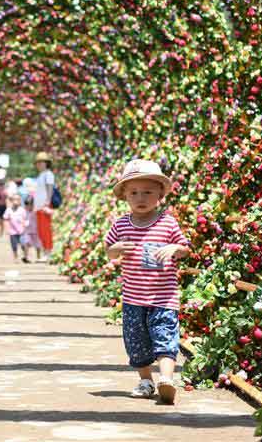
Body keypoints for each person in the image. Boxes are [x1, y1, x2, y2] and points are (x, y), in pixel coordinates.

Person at [104, 159, 190, 405]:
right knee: (137, 343)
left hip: (164, 297)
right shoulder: (121, 224)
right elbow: (108, 249)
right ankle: (145, 380)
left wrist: (174, 248)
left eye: (148, 192)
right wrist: (116, 249)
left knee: (165, 336)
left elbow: (185, 249)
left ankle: (166, 379)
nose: (140, 197)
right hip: (133, 298)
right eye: (134, 193)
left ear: (160, 194)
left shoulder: (167, 222)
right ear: (124, 196)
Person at [32, 152, 56, 260]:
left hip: (45, 206)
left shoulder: (48, 174)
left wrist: (47, 202)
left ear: (46, 163)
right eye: (38, 163)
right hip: (38, 207)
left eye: (41, 162)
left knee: (46, 230)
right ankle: (45, 252)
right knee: (41, 230)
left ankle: (48, 252)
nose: (39, 165)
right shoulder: (40, 175)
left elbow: (50, 188)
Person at [2, 194, 28, 263]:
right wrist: (6, 229)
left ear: (20, 201)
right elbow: (5, 219)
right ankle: (15, 257)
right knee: (14, 246)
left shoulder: (22, 210)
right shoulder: (9, 210)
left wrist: (25, 225)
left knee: (24, 244)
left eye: (18, 199)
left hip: (22, 231)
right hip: (12, 231)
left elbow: (25, 219)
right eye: (14, 199)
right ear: (11, 201)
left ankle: (25, 256)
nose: (16, 201)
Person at [20, 196, 42, 262]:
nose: (28, 207)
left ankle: (38, 257)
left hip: (36, 231)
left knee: (38, 244)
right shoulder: (24, 212)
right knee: (26, 243)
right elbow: (22, 219)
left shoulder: (36, 212)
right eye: (26, 205)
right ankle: (26, 257)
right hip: (27, 231)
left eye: (29, 205)